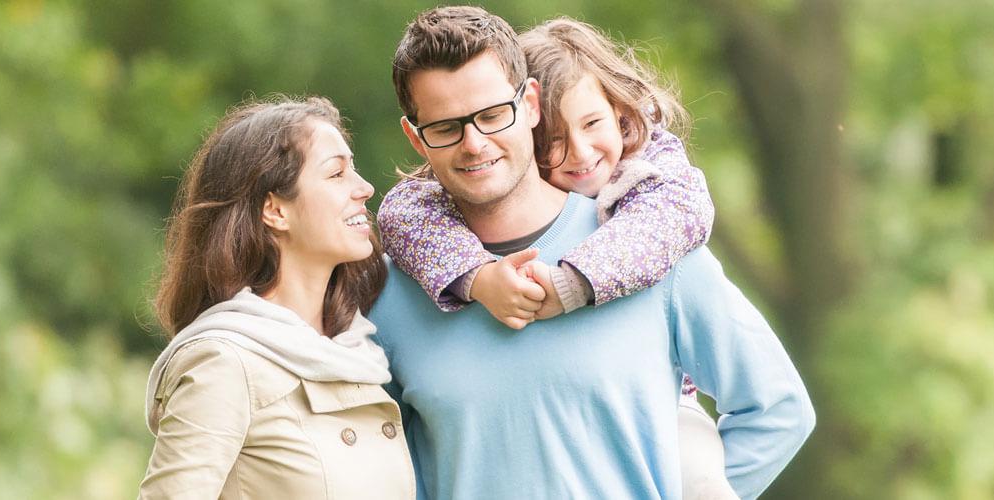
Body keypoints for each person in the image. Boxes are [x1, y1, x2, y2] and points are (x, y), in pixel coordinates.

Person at [369, 6, 814, 499]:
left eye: (493, 115)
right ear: (415, 138)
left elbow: (777, 408)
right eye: (446, 128)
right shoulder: (389, 296)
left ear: (531, 105)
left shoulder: (650, 247)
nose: (474, 144)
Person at [140, 96, 413, 499]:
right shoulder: (226, 361)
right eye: (337, 173)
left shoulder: (357, 349)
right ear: (275, 211)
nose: (365, 188)